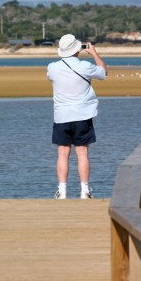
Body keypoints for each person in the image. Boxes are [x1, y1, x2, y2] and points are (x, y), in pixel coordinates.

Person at [47, 34, 107, 199]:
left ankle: (62, 191)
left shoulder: (52, 67)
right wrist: (94, 53)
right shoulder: (85, 66)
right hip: (83, 115)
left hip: (61, 116)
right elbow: (103, 72)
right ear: (77, 50)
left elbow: (52, 77)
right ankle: (84, 191)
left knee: (62, 153)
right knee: (82, 153)